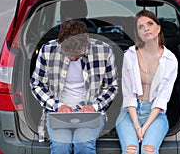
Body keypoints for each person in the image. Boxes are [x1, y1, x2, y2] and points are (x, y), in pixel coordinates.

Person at [30, 19, 118, 154]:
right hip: (57, 112)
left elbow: (112, 86)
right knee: (61, 147)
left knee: (83, 144)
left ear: (87, 40)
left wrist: (94, 107)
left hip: (91, 112)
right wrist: (57, 106)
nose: (72, 59)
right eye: (68, 54)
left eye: (77, 55)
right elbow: (37, 85)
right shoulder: (47, 50)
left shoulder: (104, 51)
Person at [115, 10, 178, 154]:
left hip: (156, 114)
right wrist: (137, 126)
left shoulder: (170, 60)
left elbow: (163, 98)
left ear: (158, 27)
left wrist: (145, 127)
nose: (146, 29)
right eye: (141, 27)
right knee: (131, 150)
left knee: (148, 150)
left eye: (150, 24)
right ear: (138, 33)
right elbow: (128, 94)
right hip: (129, 113)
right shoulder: (130, 55)